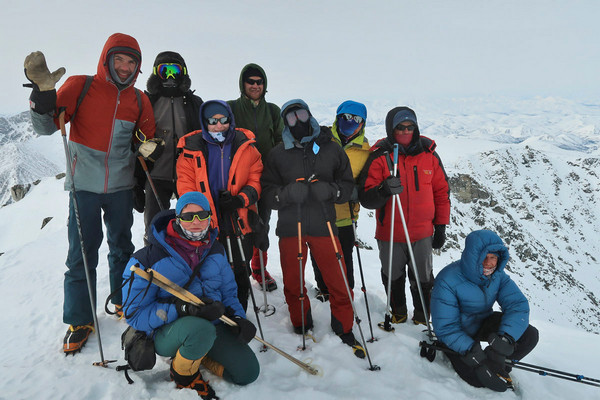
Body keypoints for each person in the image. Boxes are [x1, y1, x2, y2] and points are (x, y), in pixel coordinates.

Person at [24, 33, 158, 354]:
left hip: (121, 188)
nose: (125, 67)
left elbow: (148, 140)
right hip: (83, 186)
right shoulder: (81, 86)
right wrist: (43, 98)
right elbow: (46, 127)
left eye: (131, 62)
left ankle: (124, 300)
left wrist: (148, 147)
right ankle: (80, 319)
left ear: (137, 67)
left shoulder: (139, 100)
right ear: (107, 58)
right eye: (119, 59)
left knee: (122, 248)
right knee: (81, 254)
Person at [121, 192, 259, 399]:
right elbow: (134, 314)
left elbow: (229, 292)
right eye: (188, 216)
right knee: (199, 328)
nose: (195, 222)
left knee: (247, 372)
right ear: (177, 219)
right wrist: (181, 309)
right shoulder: (147, 260)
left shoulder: (216, 250)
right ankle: (183, 373)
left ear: (209, 218)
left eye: (201, 215)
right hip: (165, 332)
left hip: (212, 326)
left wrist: (238, 318)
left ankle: (199, 354)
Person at [261, 99, 365, 358]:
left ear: (310, 115)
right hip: (290, 226)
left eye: (302, 114)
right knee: (293, 282)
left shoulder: (331, 148)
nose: (299, 121)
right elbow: (266, 193)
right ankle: (301, 322)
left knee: (338, 279)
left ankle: (344, 325)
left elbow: (348, 186)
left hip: (324, 224)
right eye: (292, 117)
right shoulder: (277, 153)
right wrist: (286, 194)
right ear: (285, 122)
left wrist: (331, 190)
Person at [358, 106, 450, 325]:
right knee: (392, 276)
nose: (406, 131)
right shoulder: (380, 156)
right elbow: (366, 198)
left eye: (410, 126)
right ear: (392, 128)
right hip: (390, 231)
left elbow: (441, 192)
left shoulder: (429, 156)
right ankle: (398, 313)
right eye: (400, 127)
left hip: (422, 232)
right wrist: (383, 190)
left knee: (423, 279)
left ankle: (421, 318)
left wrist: (441, 226)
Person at [176, 100, 263, 312]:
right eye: (213, 121)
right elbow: (185, 186)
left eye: (223, 120)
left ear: (230, 120)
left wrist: (239, 199)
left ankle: (239, 312)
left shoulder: (246, 146)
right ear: (204, 122)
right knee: (211, 269)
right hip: (205, 220)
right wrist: (201, 210)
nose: (219, 126)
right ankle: (217, 313)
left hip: (237, 215)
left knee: (241, 267)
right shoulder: (190, 150)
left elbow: (255, 179)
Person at [430, 229, 539, 392]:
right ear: (474, 257)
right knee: (478, 379)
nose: (489, 263)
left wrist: (505, 339)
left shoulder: (497, 276)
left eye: (493, 257)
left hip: (482, 322)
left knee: (529, 335)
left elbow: (517, 305)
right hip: (456, 333)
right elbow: (446, 327)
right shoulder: (447, 280)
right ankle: (479, 362)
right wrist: (471, 349)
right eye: (485, 257)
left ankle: (498, 364)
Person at [228, 63, 283, 292]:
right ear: (243, 84)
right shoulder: (230, 108)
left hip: (265, 179)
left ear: (265, 85)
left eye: (259, 82)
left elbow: (281, 141)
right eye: (250, 81)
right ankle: (237, 270)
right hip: (238, 179)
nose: (255, 85)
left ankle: (259, 269)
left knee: (262, 225)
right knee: (237, 225)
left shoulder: (273, 111)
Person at [137, 51, 203, 244]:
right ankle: (155, 258)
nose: (170, 76)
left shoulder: (193, 102)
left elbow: (202, 136)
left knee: (192, 223)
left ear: (183, 73)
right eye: (165, 71)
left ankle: (190, 262)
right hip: (156, 172)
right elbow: (135, 135)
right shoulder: (147, 101)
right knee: (154, 225)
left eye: (175, 70)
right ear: (156, 74)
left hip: (187, 174)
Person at [310, 101, 370, 302]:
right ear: (337, 117)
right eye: (345, 117)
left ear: (363, 124)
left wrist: (347, 192)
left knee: (344, 257)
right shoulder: (320, 138)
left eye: (356, 119)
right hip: (317, 211)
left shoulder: (365, 151)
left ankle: (345, 293)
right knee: (319, 256)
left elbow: (365, 184)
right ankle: (324, 290)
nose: (350, 122)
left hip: (345, 214)